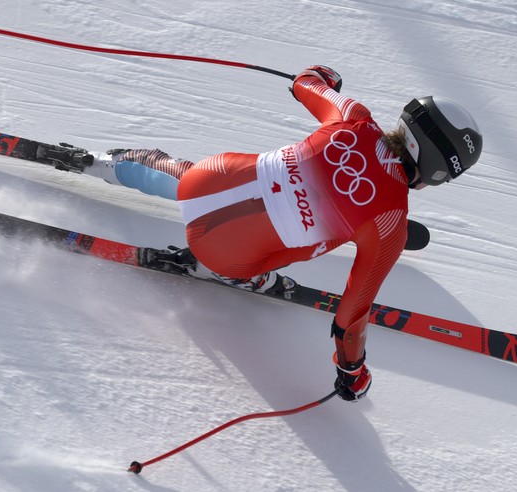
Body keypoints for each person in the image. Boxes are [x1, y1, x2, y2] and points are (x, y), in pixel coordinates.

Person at [85, 65, 483, 401]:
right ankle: (212, 268)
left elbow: (309, 82)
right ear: (437, 169)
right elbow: (351, 316)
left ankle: (102, 163)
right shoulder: (390, 224)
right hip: (225, 255)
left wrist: (321, 76)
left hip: (207, 181)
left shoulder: (355, 118)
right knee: (318, 235)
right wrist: (352, 372)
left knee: (199, 179)